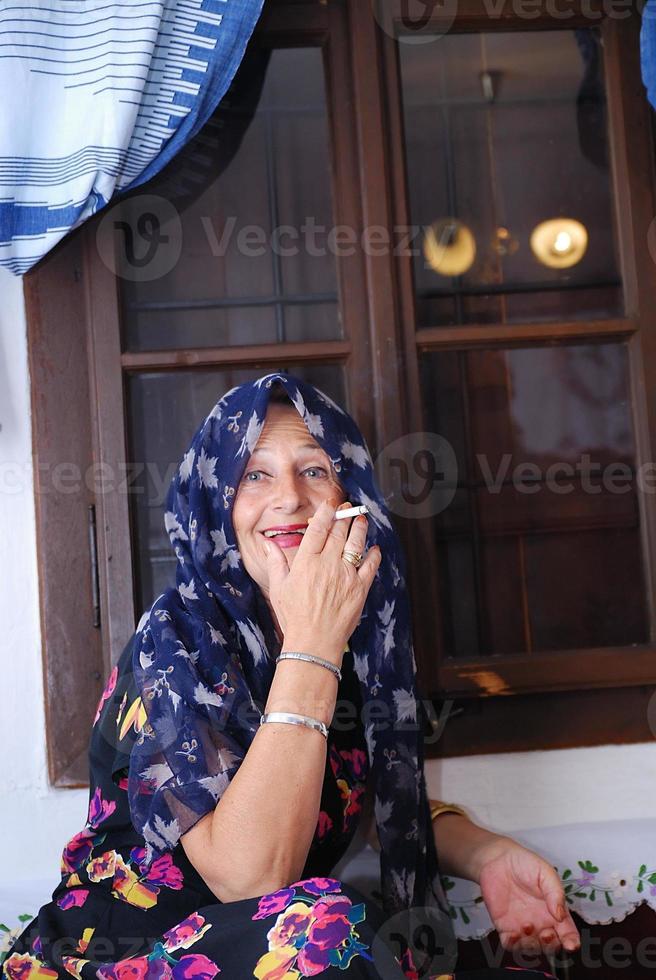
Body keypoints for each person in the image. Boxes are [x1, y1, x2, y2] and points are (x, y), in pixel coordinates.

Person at [3, 373, 581, 980]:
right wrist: (312, 645)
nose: (289, 499)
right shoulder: (176, 640)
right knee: (328, 928)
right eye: (254, 474)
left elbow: (345, 804)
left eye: (314, 470)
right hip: (108, 962)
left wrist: (485, 853)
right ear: (215, 502)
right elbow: (250, 877)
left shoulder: (352, 636)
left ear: (352, 499)